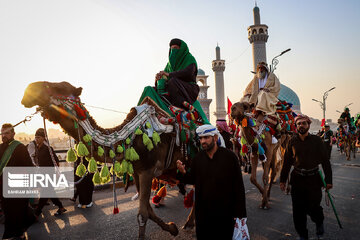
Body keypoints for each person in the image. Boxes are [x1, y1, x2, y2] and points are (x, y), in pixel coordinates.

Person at [176, 124, 247, 239]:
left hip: (225, 213)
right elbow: (191, 179)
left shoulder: (230, 157)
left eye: (206, 137)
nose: (203, 141)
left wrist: (240, 213)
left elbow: (238, 186)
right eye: (201, 138)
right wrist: (182, 172)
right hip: (203, 214)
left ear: (215, 138)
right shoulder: (198, 159)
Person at [280, 115, 332, 240]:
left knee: (313, 207)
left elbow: (325, 161)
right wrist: (282, 180)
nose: (301, 126)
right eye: (299, 124)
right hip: (297, 179)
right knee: (298, 211)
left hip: (313, 179)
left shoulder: (317, 141)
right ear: (296, 126)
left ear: (308, 125)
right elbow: (286, 162)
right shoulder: (292, 141)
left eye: (304, 123)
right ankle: (303, 235)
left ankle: (319, 222)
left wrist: (329, 181)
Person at [0, 123, 36, 239]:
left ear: (13, 134)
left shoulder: (20, 148)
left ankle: (13, 234)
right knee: (8, 211)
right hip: (3, 186)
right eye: (2, 133)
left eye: (6, 133)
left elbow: (29, 167)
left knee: (17, 210)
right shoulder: (0, 147)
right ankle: (17, 233)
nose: (3, 135)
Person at [30, 128, 67, 217]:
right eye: (36, 137)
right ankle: (61, 207)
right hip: (43, 174)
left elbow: (56, 161)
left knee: (45, 193)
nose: (36, 139)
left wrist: (57, 173)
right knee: (50, 192)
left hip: (49, 174)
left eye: (38, 137)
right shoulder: (38, 148)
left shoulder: (48, 148)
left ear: (43, 138)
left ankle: (37, 213)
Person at [155, 38, 200, 108]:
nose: (173, 51)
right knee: (151, 89)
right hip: (173, 88)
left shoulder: (189, 59)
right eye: (172, 48)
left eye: (175, 48)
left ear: (181, 49)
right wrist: (158, 78)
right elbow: (165, 78)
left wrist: (169, 74)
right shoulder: (169, 65)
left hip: (188, 89)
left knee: (173, 81)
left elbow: (188, 73)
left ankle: (183, 105)